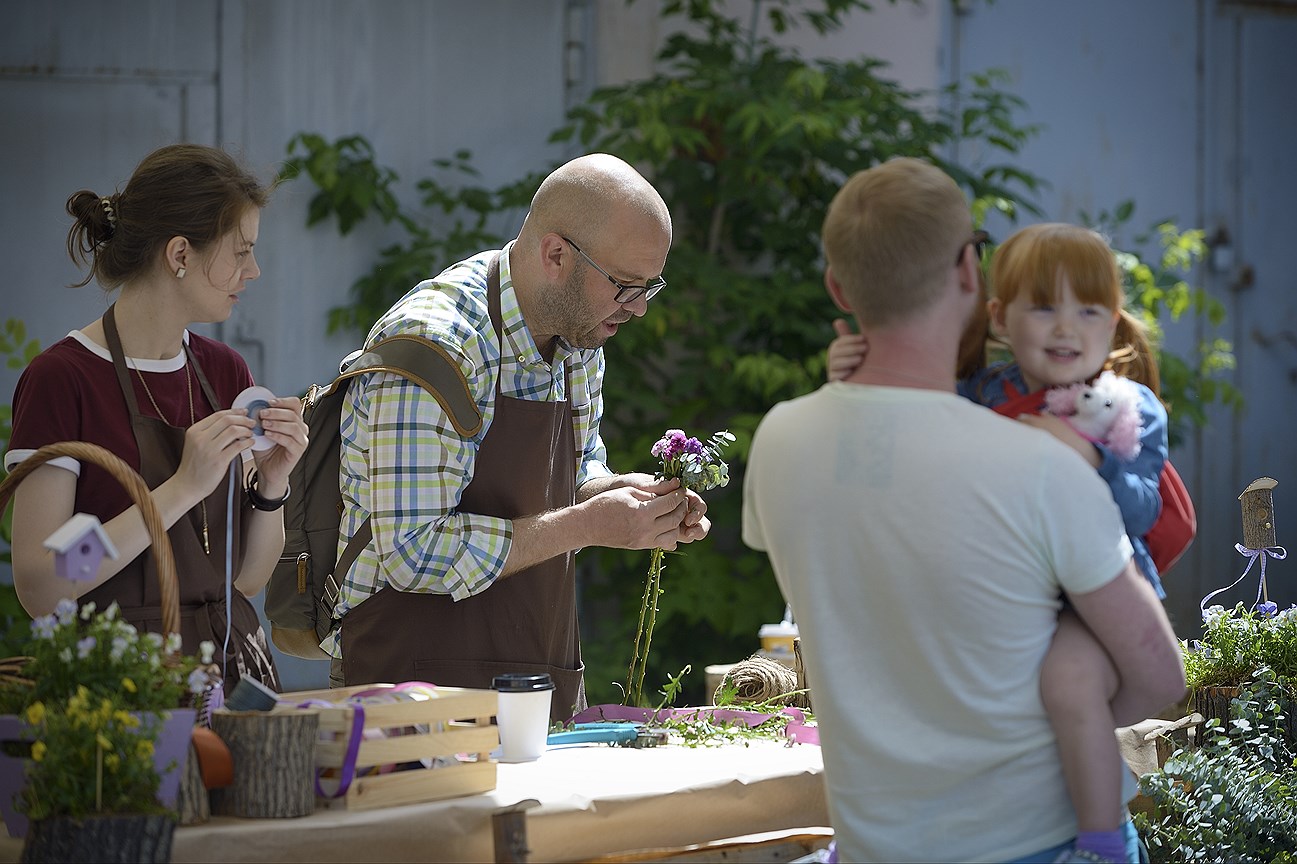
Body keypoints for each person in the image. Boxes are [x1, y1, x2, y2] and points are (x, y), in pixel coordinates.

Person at [742, 157, 1185, 862]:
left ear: (837, 285)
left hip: (874, 845)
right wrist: (1066, 726)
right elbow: (1160, 677)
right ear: (968, 274)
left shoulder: (778, 441)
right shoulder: (1046, 463)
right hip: (1039, 840)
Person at [328, 152, 710, 720]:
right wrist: (589, 524)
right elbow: (411, 552)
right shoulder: (435, 346)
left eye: (649, 287)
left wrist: (619, 496)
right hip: (410, 693)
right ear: (555, 254)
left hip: (539, 682)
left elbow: (577, 472)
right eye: (626, 287)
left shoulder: (579, 335)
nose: (638, 311)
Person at [5, 143, 308, 693]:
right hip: (121, 691)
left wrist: (273, 483)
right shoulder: (63, 380)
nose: (254, 271)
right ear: (179, 255)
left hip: (238, 678)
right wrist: (178, 490)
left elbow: (245, 579)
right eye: (240, 252)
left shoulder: (225, 373)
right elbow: (43, 584)